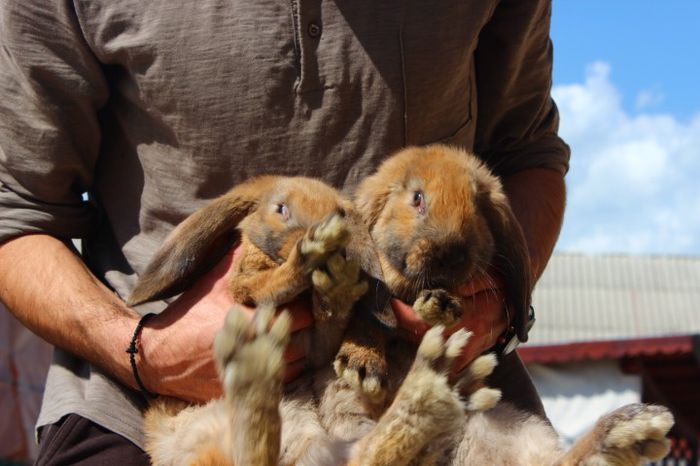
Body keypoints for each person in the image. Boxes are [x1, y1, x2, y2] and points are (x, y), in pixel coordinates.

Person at [0, 0, 568, 464]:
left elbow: (529, 156)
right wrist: (142, 349)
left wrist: (494, 312)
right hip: (165, 387)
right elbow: (16, 217)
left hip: (427, 365)